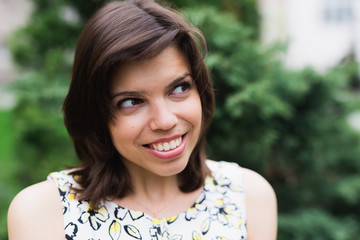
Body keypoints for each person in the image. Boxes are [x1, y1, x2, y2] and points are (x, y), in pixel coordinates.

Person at [7, 0, 277, 239]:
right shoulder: (44, 213)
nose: (165, 120)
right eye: (131, 102)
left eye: (179, 88)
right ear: (96, 114)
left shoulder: (246, 197)